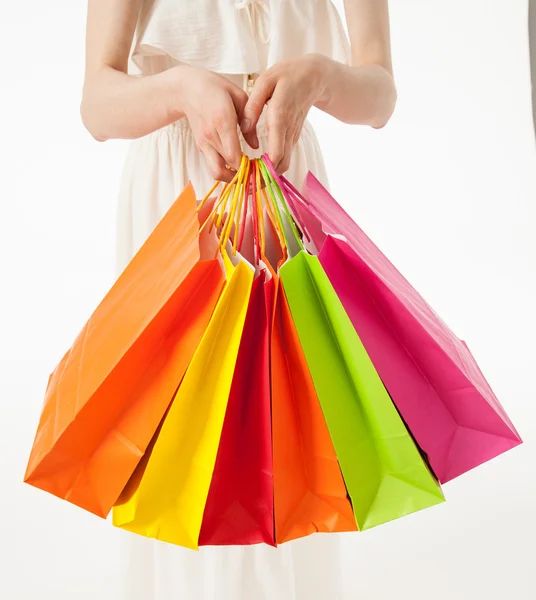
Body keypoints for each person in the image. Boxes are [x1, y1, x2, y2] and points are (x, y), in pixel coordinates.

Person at [81, 1, 396, 598]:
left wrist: (322, 80)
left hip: (287, 188)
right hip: (178, 199)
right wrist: (179, 90)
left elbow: (380, 91)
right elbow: (96, 101)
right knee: (184, 452)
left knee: (294, 445)